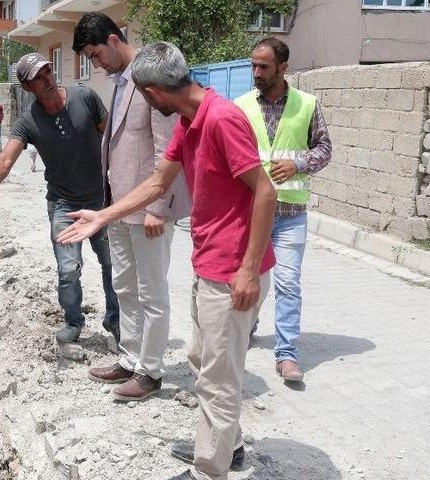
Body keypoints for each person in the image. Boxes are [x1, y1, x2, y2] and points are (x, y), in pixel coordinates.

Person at [57, 42, 277, 480]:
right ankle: (227, 445)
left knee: (218, 378)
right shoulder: (189, 120)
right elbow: (158, 182)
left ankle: (207, 471)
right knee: (200, 358)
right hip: (209, 262)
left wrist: (249, 269)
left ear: (154, 92)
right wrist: (103, 215)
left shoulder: (221, 119)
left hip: (233, 270)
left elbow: (266, 191)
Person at [0, 52, 120, 344]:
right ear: (27, 87)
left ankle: (115, 319)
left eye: (47, 71)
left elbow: (110, 137)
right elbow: (5, 161)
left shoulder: (85, 97)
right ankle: (73, 321)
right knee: (68, 269)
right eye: (38, 76)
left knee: (111, 263)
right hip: (63, 204)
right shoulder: (28, 121)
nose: (46, 78)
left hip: (100, 200)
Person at [72, 12, 191, 402]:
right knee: (124, 284)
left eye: (95, 55)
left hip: (148, 210)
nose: (96, 64)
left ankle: (151, 371)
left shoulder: (152, 79)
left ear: (113, 39)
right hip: (120, 206)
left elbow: (167, 149)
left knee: (151, 290)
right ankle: (130, 356)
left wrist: (160, 207)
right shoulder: (122, 82)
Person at [234, 38, 332, 383]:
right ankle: (247, 326)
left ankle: (286, 355)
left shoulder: (307, 104)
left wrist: (298, 163)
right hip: (251, 211)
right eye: (253, 66)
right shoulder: (241, 105)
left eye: (263, 66)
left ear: (283, 67)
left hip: (290, 214)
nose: (256, 73)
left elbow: (324, 147)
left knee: (288, 283)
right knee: (253, 281)